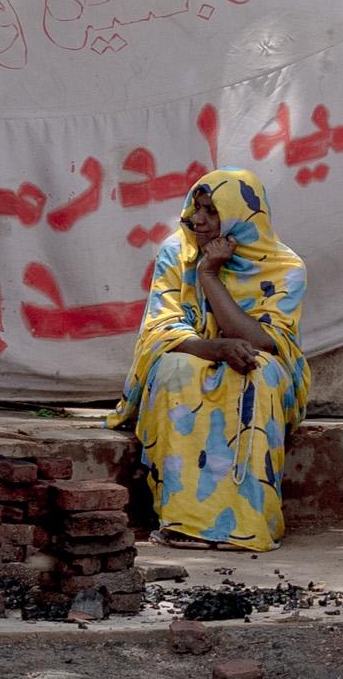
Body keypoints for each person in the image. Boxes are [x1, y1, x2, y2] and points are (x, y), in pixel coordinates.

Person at [115, 168, 308, 552]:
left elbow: (265, 341)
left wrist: (211, 278)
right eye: (196, 208)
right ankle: (184, 520)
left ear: (241, 215)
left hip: (255, 358)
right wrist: (215, 344)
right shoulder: (177, 252)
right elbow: (162, 329)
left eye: (212, 211)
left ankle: (248, 522)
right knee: (175, 369)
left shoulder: (286, 268)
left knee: (260, 373)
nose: (198, 219)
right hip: (193, 352)